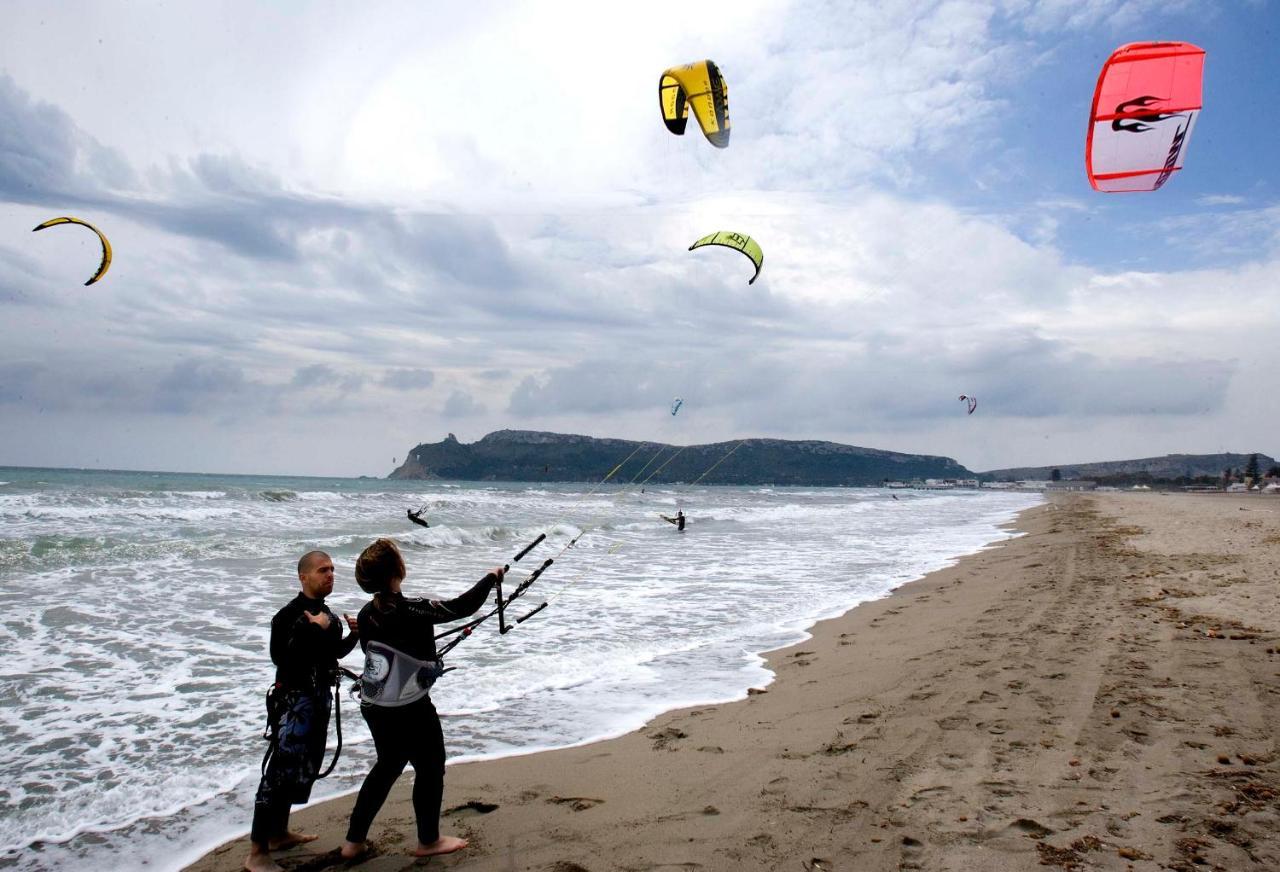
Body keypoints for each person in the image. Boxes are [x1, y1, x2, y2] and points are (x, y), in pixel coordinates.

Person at [341, 539, 504, 860]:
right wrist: (491, 577)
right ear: (397, 572)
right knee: (430, 766)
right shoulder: (412, 608)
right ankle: (428, 841)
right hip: (409, 706)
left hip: (374, 706)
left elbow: (374, 652)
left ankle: (353, 842)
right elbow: (462, 607)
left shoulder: (366, 614)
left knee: (387, 766)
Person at [246, 551, 359, 872]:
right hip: (294, 705)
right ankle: (257, 852)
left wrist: (355, 635)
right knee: (278, 773)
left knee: (302, 770)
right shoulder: (287, 617)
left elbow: (333, 654)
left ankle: (279, 834)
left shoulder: (329, 616)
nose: (330, 575)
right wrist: (313, 629)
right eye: (323, 570)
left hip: (319, 701)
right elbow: (282, 659)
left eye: (333, 570)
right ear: (303, 577)